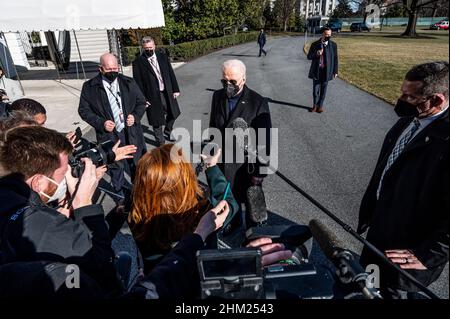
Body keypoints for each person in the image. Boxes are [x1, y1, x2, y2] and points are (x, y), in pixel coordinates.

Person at [358, 61, 449, 299]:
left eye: (410, 97)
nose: (401, 100)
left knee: (392, 294)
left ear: (438, 100)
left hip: (408, 252)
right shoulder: (407, 121)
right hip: (379, 234)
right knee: (368, 287)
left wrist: (428, 255)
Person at [0, 126, 121, 294]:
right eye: (64, 173)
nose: (68, 176)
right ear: (38, 182)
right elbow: (102, 266)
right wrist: (84, 204)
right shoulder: (42, 226)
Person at [128, 144, 241, 273]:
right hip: (202, 275)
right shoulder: (204, 211)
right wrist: (212, 168)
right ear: (184, 180)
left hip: (159, 279)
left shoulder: (135, 214)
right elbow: (230, 205)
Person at [78, 53, 147, 203]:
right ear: (100, 69)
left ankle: (141, 194)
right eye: (109, 69)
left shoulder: (128, 82)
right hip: (109, 136)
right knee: (115, 168)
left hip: (130, 133)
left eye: (115, 68)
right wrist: (100, 123)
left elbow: (141, 103)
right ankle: (121, 199)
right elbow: (84, 111)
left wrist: (135, 116)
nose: (113, 71)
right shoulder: (90, 87)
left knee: (137, 165)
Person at [209, 59, 272, 209]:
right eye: (224, 81)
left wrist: (260, 172)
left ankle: (253, 230)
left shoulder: (258, 102)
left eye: (233, 81)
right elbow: (213, 127)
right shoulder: (217, 96)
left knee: (250, 207)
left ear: (243, 79)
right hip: (222, 164)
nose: (228, 85)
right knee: (225, 204)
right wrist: (211, 155)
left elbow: (265, 140)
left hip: (245, 168)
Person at [132, 36, 181, 146]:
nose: (149, 50)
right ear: (143, 48)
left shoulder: (162, 57)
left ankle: (168, 129)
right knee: (156, 120)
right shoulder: (138, 62)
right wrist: (143, 99)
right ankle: (161, 142)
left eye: (150, 47)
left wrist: (175, 89)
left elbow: (170, 73)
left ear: (154, 46)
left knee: (174, 113)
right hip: (151, 95)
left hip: (166, 91)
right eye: (146, 48)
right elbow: (137, 83)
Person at [306, 27, 338, 113]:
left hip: (327, 71)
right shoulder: (315, 44)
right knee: (315, 91)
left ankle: (320, 106)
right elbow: (309, 57)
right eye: (326, 34)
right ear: (322, 34)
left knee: (323, 91)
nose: (328, 36)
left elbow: (335, 58)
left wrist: (335, 71)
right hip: (317, 71)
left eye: (330, 35)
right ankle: (314, 106)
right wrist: (317, 53)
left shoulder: (333, 45)